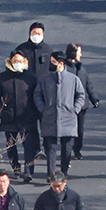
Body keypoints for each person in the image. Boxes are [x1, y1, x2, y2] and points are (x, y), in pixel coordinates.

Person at [34, 51, 85, 179]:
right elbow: (37, 94)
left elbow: (81, 95)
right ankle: (51, 174)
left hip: (68, 118)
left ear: (61, 63)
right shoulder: (45, 79)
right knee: (50, 149)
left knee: (67, 149)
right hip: (50, 118)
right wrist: (43, 109)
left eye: (53, 62)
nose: (50, 65)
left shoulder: (73, 79)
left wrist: (75, 109)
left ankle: (63, 173)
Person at [0, 50, 40, 183]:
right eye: (15, 61)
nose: (17, 63)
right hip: (9, 118)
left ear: (24, 62)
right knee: (11, 145)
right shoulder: (2, 78)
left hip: (27, 117)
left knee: (29, 145)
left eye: (20, 61)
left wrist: (36, 112)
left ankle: (28, 170)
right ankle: (15, 167)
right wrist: (0, 111)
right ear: (10, 62)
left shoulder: (31, 78)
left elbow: (37, 96)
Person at [65, 43, 100, 160]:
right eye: (79, 51)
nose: (81, 54)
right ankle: (67, 152)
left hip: (81, 106)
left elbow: (88, 85)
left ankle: (77, 149)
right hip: (68, 106)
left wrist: (94, 98)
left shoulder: (82, 69)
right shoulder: (65, 69)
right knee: (69, 132)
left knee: (80, 130)